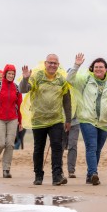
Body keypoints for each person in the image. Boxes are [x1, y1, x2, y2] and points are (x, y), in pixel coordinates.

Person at [66, 53, 107, 185]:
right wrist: (76, 65)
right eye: (96, 67)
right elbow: (69, 80)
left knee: (97, 149)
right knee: (91, 147)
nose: (98, 69)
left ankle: (89, 175)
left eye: (101, 67)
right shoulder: (85, 78)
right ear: (92, 68)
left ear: (106, 69)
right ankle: (93, 173)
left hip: (105, 121)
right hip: (87, 119)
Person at [20, 54, 72, 186]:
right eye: (50, 63)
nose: (52, 65)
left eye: (55, 63)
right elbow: (23, 89)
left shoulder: (62, 79)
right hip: (38, 120)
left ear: (58, 65)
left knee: (57, 147)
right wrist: (25, 79)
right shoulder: (37, 76)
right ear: (45, 63)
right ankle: (38, 175)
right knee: (39, 149)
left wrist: (68, 119)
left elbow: (67, 100)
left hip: (56, 119)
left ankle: (57, 176)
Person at [0, 64, 23, 178]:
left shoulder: (17, 88)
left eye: (13, 74)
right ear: (5, 73)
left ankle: (6, 170)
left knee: (10, 144)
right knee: (1, 143)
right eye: (9, 73)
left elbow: (20, 106)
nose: (11, 76)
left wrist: (21, 122)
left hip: (13, 119)